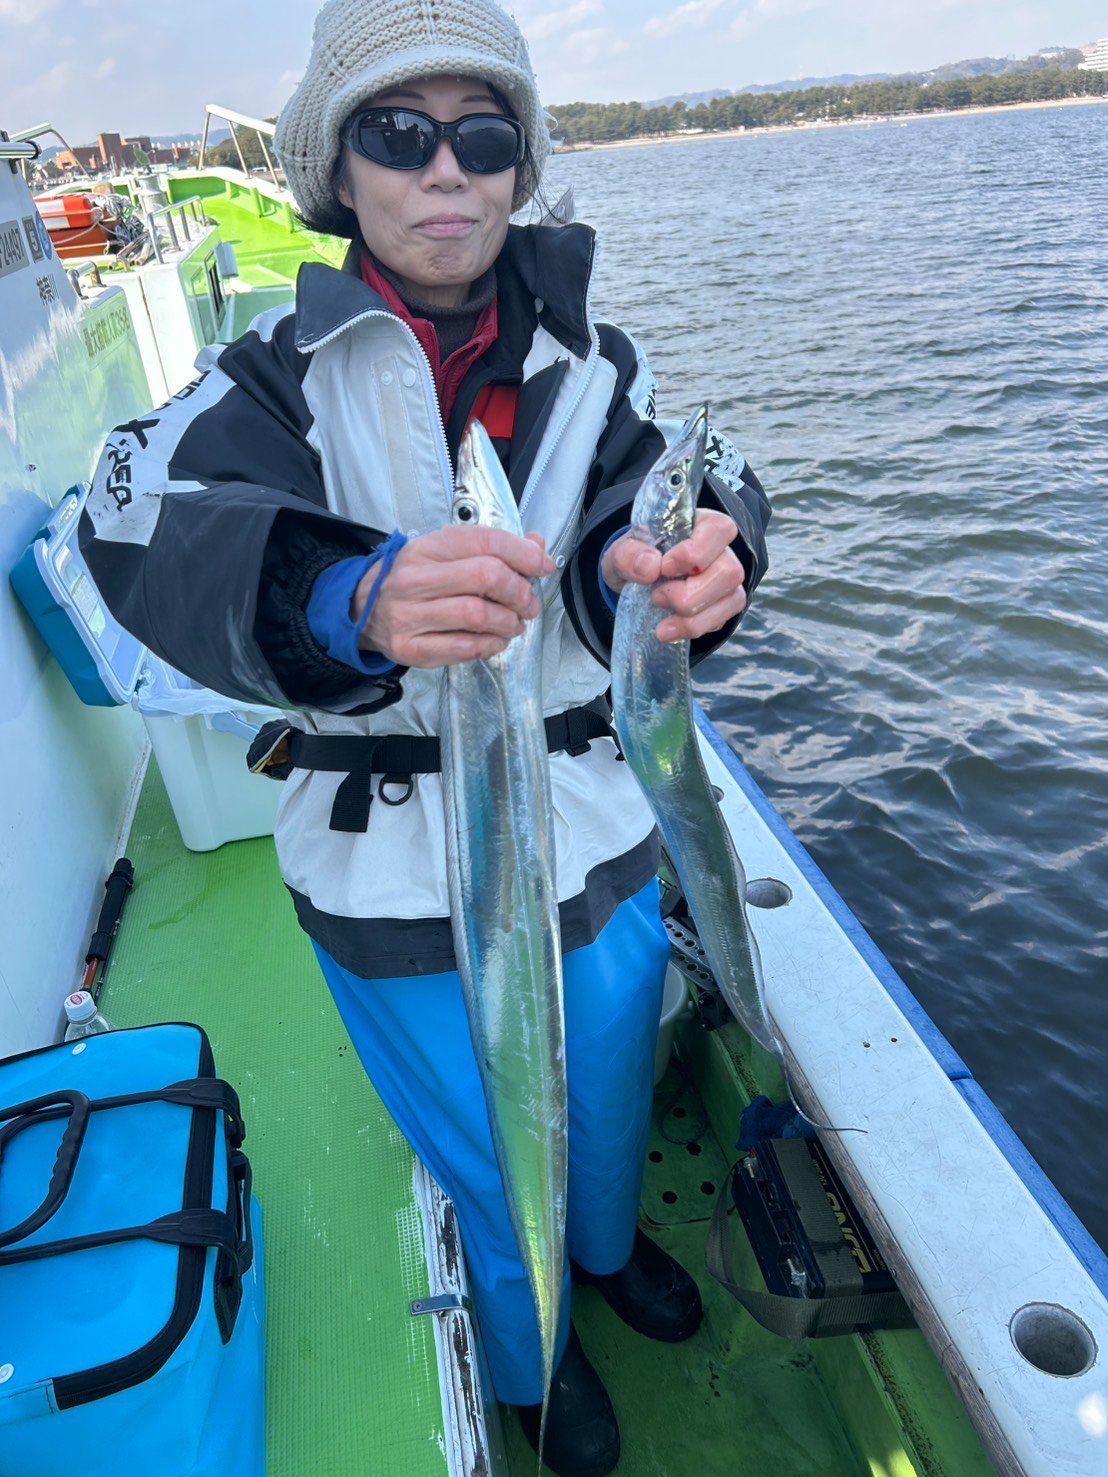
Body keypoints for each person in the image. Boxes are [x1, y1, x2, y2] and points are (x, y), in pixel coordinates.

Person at [81, 1, 770, 1471]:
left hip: (595, 844)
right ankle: (536, 1365)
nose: (446, 168)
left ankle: (602, 1253)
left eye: (484, 134)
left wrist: (691, 562)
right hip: (389, 883)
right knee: (480, 1137)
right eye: (400, 133)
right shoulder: (267, 374)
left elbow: (671, 485)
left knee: (608, 1092)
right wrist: (348, 593)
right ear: (338, 169)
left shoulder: (602, 359)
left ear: (523, 164)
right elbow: (132, 521)